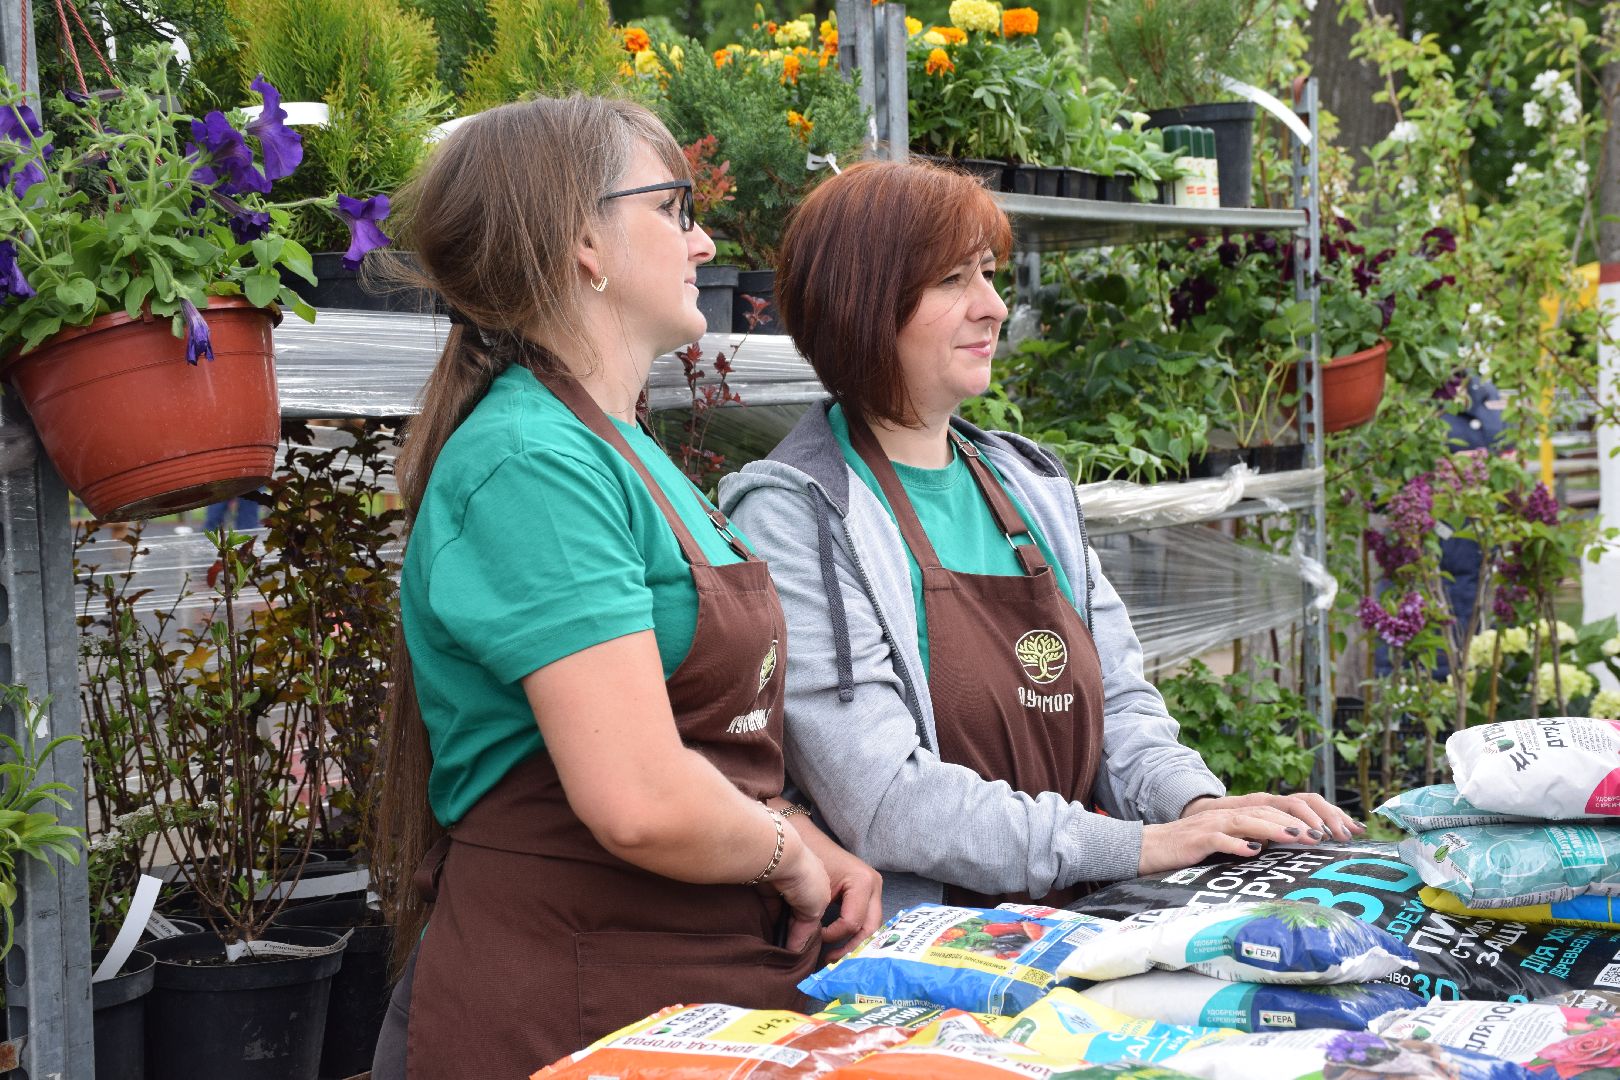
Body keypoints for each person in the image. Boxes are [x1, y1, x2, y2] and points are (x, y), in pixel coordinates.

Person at [366, 96, 881, 1080]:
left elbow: (685, 750)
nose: (706, 240)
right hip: (574, 997)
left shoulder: (620, 447)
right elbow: (639, 797)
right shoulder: (530, 463)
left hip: (674, 982)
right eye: (675, 209)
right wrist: (791, 856)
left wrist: (798, 829)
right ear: (581, 243)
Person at [719, 160, 1363, 917]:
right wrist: (1136, 847)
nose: (992, 306)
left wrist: (1191, 807)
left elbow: (1118, 702)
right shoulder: (801, 512)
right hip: (932, 950)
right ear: (863, 303)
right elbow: (885, 801)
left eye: (989, 274)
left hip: (1082, 922)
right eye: (954, 280)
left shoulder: (1028, 487)